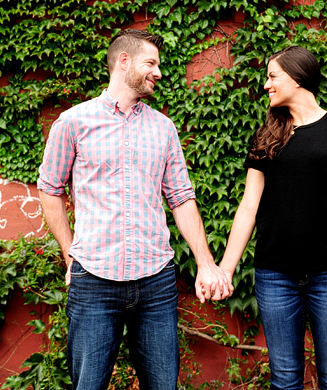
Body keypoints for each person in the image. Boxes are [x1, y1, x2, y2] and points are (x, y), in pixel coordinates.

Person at [37, 28, 232, 390]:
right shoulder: (73, 122)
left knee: (162, 385)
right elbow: (50, 189)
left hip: (155, 281)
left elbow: (181, 197)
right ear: (124, 62)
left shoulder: (164, 128)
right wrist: (70, 256)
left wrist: (205, 262)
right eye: (151, 63)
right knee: (88, 385)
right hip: (94, 279)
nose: (158, 72)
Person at [219, 45, 327, 390]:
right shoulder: (266, 136)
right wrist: (226, 268)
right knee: (285, 379)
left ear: (298, 77)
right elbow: (248, 206)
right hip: (275, 275)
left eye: (272, 76)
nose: (266, 85)